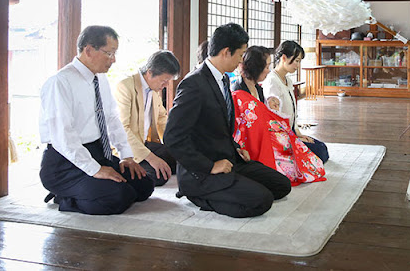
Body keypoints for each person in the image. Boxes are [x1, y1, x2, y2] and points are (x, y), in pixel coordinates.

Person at [163, 23, 291, 218]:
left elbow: (217, 126)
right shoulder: (193, 85)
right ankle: (198, 194)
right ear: (225, 52)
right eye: (240, 55)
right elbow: (172, 137)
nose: (241, 62)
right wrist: (210, 166)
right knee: (261, 200)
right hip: (204, 170)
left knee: (281, 185)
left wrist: (235, 147)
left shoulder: (222, 79)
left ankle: (232, 185)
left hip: (228, 160)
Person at [39, 26, 154, 215]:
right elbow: (63, 137)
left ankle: (87, 190)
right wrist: (95, 170)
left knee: (144, 185)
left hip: (97, 152)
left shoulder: (100, 79)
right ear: (89, 50)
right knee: (116, 197)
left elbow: (111, 119)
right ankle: (64, 197)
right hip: (64, 163)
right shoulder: (60, 82)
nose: (113, 60)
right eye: (109, 53)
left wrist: (126, 156)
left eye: (115, 53)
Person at [232, 46, 326, 185]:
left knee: (315, 151)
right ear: (256, 67)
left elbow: (264, 113)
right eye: (266, 66)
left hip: (269, 132)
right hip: (254, 140)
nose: (268, 70)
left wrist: (270, 104)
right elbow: (243, 125)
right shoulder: (238, 90)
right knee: (299, 157)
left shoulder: (259, 87)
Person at [114, 50, 180, 187]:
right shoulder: (125, 87)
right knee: (158, 175)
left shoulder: (153, 90)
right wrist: (151, 158)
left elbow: (162, 119)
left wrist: (173, 144)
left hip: (144, 143)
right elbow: (122, 129)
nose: (166, 85)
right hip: (126, 148)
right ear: (149, 72)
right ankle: (124, 173)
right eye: (164, 80)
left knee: (179, 157)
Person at [262, 41, 329, 163]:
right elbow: (273, 118)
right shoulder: (272, 81)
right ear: (284, 58)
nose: (298, 65)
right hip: (280, 136)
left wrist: (298, 133)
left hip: (291, 132)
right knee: (320, 152)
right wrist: (294, 137)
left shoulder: (287, 80)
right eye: (297, 61)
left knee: (322, 148)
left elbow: (292, 115)